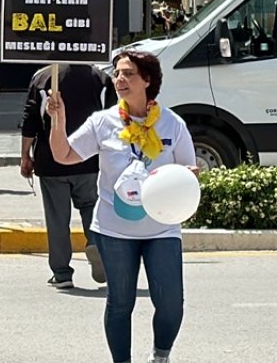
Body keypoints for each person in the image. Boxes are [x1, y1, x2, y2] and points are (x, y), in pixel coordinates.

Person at [47, 50, 197, 363]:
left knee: (171, 303)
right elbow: (64, 155)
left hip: (162, 227)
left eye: (128, 74)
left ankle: (161, 355)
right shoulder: (103, 122)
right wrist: (57, 121)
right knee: (120, 303)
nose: (120, 80)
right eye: (117, 73)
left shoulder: (172, 124)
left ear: (148, 80)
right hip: (114, 227)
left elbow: (188, 174)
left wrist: (187, 179)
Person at [21, 63, 114, 289]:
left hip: (51, 160)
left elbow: (31, 119)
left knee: (57, 219)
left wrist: (25, 155)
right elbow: (112, 119)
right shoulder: (101, 78)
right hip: (89, 160)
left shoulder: (43, 77)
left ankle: (62, 273)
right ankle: (97, 247)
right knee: (91, 208)